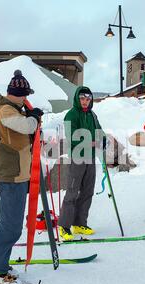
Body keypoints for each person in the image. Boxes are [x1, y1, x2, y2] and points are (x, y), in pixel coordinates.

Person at [0, 70, 44, 284]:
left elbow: (25, 133)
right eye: (26, 95)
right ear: (20, 94)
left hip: (18, 174)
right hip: (12, 175)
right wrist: (34, 117)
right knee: (11, 226)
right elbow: (25, 126)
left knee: (10, 224)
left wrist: (33, 121)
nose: (27, 100)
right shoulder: (5, 109)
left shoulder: (13, 109)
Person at [58, 86, 105, 241]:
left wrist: (103, 139)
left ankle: (79, 223)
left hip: (90, 158)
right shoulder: (71, 115)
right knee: (72, 191)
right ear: (78, 99)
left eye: (88, 99)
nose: (85, 102)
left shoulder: (92, 115)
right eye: (83, 99)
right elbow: (72, 137)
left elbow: (99, 131)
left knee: (87, 191)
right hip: (77, 158)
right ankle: (64, 226)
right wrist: (90, 143)